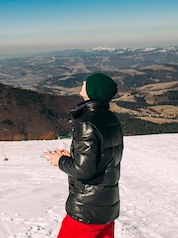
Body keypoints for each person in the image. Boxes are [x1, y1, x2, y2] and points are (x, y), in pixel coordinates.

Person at [44, 72, 123, 238]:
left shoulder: (87, 122)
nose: (83, 82)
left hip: (87, 209)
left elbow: (84, 171)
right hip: (107, 206)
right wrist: (73, 155)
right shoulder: (111, 118)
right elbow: (102, 158)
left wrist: (60, 161)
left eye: (87, 82)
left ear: (93, 91)